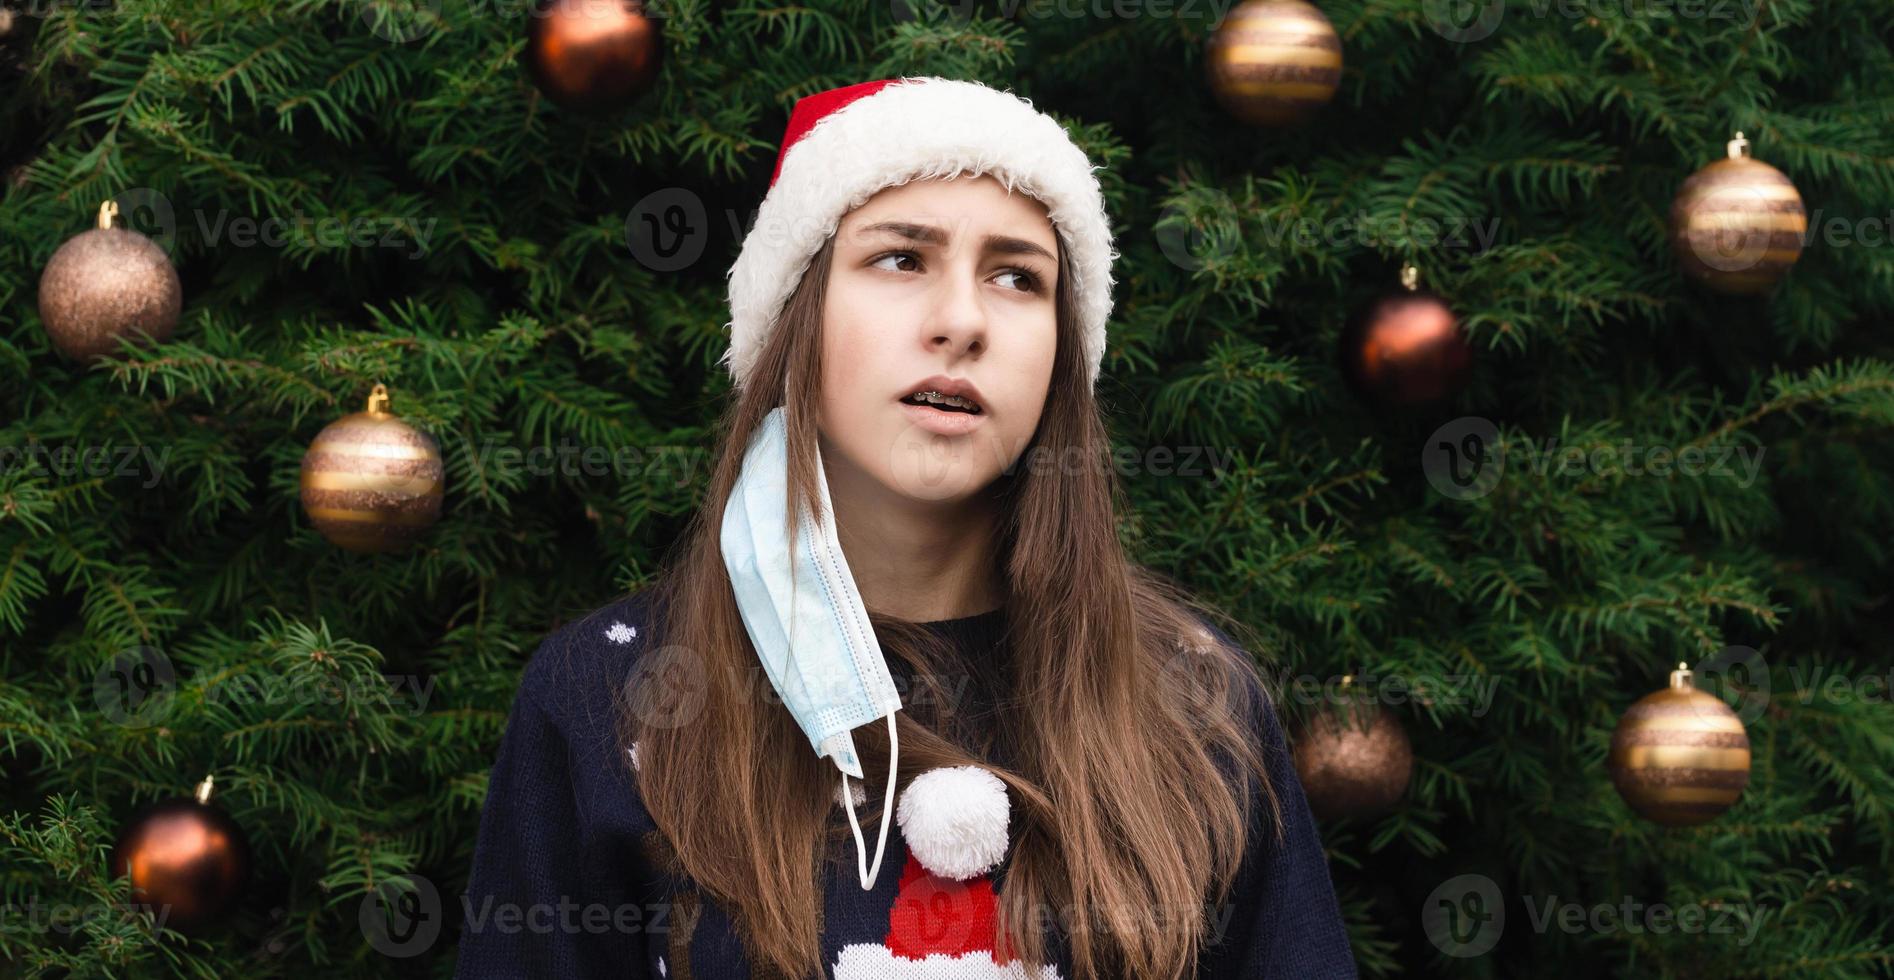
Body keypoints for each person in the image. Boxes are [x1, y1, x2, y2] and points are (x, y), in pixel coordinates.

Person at [456, 76, 1356, 980]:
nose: (962, 322)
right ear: (795, 320)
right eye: (901, 258)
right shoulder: (612, 696)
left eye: (1017, 276)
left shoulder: (1193, 705)